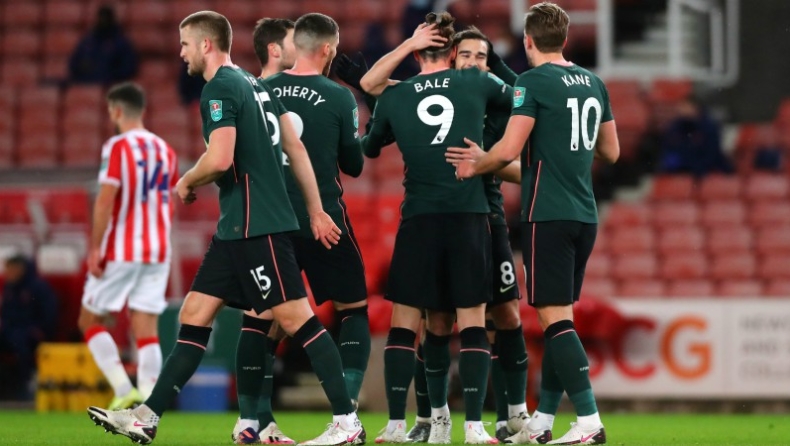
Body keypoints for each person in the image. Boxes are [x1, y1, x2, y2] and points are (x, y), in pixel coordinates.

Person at [86, 11, 363, 446]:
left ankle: (347, 422)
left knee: (296, 318)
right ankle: (146, 416)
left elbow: (219, 159)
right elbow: (295, 148)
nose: (181, 53)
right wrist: (314, 209)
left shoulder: (219, 88)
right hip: (236, 227)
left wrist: (186, 180)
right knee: (194, 314)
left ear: (206, 44)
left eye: (185, 44)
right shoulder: (255, 83)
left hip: (257, 226)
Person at [454, 3, 620, 444]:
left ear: (527, 41)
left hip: (547, 213)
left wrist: (476, 163)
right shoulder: (594, 83)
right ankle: (543, 420)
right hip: (584, 214)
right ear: (564, 39)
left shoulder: (531, 81)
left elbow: (508, 150)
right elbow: (611, 152)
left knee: (554, 320)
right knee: (558, 319)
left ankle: (588, 421)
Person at [356, 24, 527, 443]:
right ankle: (474, 426)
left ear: (418, 53)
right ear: (453, 55)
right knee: (472, 320)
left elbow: (369, 130)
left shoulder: (396, 94)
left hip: (419, 217)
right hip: (470, 216)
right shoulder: (476, 82)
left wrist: (405, 51)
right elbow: (524, 96)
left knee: (411, 321)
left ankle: (399, 423)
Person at [230, 14, 369, 445]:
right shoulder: (340, 96)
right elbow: (354, 165)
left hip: (270, 221)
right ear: (327, 49)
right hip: (322, 219)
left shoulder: (258, 89)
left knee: (260, 320)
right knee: (353, 308)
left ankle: (253, 420)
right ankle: (346, 411)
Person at [77, 82, 177, 412]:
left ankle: (124, 390)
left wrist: (95, 248)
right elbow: (169, 203)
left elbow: (106, 200)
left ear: (116, 111)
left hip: (122, 248)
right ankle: (148, 403)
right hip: (158, 249)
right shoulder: (166, 150)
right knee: (146, 328)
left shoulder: (117, 146)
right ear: (142, 111)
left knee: (89, 320)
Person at [0, 255, 57, 400]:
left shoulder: (38, 287)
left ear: (20, 269)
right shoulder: (9, 288)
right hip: (11, 331)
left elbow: (49, 314)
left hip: (32, 332)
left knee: (20, 343)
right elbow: (7, 313)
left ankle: (25, 385)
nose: (7, 273)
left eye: (11, 269)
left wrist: (39, 330)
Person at [658, 97, 733, 177]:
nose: (683, 110)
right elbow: (670, 153)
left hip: (708, 172)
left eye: (686, 106)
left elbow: (712, 153)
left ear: (695, 107)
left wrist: (697, 169)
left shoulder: (709, 127)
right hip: (682, 173)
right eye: (681, 106)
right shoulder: (675, 128)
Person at [68, 5, 138, 85]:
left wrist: (108, 76)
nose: (103, 20)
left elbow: (128, 68)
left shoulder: (121, 43)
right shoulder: (87, 42)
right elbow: (73, 65)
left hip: (110, 85)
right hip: (85, 84)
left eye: (106, 17)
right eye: (101, 17)